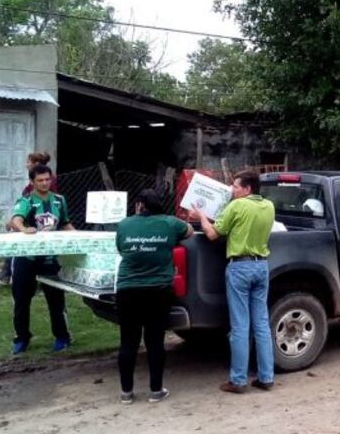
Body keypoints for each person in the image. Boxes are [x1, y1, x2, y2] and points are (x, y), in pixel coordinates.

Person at [188, 170, 275, 393]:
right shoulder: (269, 206)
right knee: (262, 324)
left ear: (247, 189)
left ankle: (238, 380)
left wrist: (202, 216)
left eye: (235, 186)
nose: (232, 190)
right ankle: (266, 377)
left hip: (240, 267)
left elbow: (213, 234)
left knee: (240, 326)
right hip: (261, 266)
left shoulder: (237, 206)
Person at [115, 188, 193, 405]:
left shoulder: (124, 224)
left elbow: (121, 250)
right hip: (158, 291)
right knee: (155, 342)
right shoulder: (170, 223)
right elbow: (189, 232)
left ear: (140, 205)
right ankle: (156, 391)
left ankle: (126, 393)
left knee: (128, 342)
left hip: (127, 289)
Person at [8, 163, 74, 355]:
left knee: (56, 301)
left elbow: (65, 223)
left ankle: (62, 336)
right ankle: (22, 338)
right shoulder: (26, 200)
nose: (45, 183)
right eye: (40, 180)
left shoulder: (59, 201)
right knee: (21, 301)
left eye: (47, 179)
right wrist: (23, 229)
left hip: (50, 259)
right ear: (32, 182)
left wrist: (80, 238)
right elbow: (16, 219)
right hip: (26, 259)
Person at [0, 151, 57, 284]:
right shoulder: (41, 183)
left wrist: (16, 223)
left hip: (39, 224)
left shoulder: (39, 186)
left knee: (20, 244)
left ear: (35, 164)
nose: (26, 165)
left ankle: (10, 273)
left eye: (28, 162)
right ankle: (7, 271)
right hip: (31, 223)